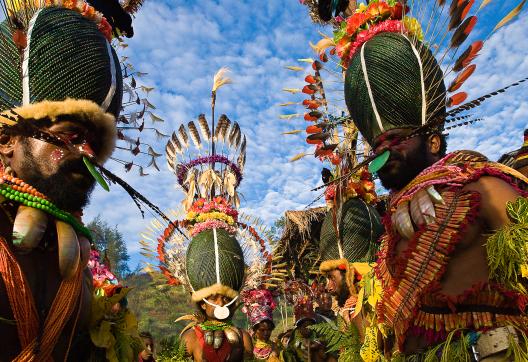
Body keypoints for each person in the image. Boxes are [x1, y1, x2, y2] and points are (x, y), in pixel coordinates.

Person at [338, 0, 528, 359]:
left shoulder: (483, 188)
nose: (383, 154)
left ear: (434, 141)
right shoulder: (387, 241)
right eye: (377, 146)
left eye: (396, 141)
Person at [0, 0, 133, 359]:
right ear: (7, 140)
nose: (88, 153)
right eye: (70, 136)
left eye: (94, 142)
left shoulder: (77, 258)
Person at [144, 69, 275, 361]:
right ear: (199, 299)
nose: (219, 303)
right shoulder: (189, 338)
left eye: (225, 297)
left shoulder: (242, 337)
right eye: (214, 297)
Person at [242, 288, 280, 361]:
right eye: (262, 330)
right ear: (255, 330)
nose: (266, 333)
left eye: (269, 330)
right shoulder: (248, 346)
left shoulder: (276, 347)